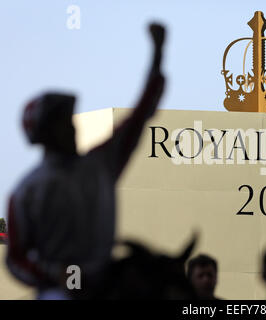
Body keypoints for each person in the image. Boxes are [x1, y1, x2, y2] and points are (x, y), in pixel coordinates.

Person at [6, 23, 166, 299]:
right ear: (44, 134)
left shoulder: (101, 163)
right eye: (61, 123)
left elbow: (140, 114)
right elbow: (15, 259)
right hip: (59, 293)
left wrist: (158, 53)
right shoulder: (26, 192)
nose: (72, 127)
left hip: (110, 287)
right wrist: (54, 273)